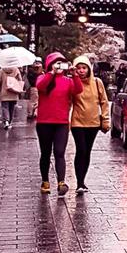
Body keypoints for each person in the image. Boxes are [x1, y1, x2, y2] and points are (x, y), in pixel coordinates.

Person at [36, 52, 83, 196]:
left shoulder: (68, 81)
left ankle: (61, 182)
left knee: (59, 152)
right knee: (45, 153)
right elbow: (40, 86)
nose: (59, 66)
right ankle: (45, 181)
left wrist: (75, 75)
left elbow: (78, 90)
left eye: (62, 63)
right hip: (44, 122)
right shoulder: (43, 78)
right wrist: (51, 73)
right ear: (50, 65)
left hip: (61, 123)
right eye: (56, 63)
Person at [70, 54, 110, 194]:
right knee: (80, 150)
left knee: (87, 152)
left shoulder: (97, 82)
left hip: (93, 122)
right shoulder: (73, 82)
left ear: (89, 69)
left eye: (84, 68)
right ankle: (79, 182)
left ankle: (83, 180)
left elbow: (104, 102)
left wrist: (105, 119)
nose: (81, 71)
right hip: (77, 122)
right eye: (78, 68)